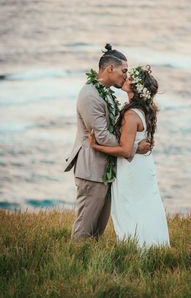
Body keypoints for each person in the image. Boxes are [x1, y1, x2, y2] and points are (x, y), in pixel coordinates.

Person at [64, 44, 151, 240]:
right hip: (91, 169)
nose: (126, 76)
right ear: (110, 68)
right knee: (84, 229)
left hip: (104, 169)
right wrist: (134, 147)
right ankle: (74, 262)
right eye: (124, 70)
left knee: (98, 231)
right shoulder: (90, 95)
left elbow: (116, 129)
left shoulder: (106, 92)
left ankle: (91, 266)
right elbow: (102, 136)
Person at [88, 65, 170, 248]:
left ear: (137, 89)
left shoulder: (131, 115)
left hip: (131, 168)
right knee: (146, 204)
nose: (126, 78)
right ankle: (154, 246)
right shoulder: (144, 110)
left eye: (131, 79)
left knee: (129, 206)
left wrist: (96, 146)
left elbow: (125, 151)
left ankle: (135, 248)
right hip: (143, 166)